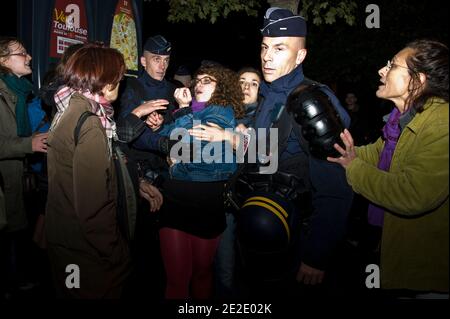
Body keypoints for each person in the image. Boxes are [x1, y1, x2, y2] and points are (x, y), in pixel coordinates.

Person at [190, 7, 352, 295]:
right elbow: (268, 156)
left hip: (294, 238)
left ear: (300, 55)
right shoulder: (267, 94)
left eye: (279, 48)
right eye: (264, 47)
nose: (267, 56)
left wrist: (317, 255)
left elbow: (336, 187)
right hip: (255, 238)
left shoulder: (311, 101)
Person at [328, 39, 449, 298]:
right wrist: (332, 153)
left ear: (417, 81)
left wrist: (353, 167)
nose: (381, 71)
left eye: (392, 66)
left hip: (429, 272)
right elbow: (374, 154)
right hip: (402, 259)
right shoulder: (401, 121)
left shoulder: (442, 124)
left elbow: (413, 194)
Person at [45, 43, 132, 298]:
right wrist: (114, 251)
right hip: (86, 250)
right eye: (118, 76)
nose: (121, 81)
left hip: (65, 238)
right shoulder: (92, 125)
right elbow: (93, 205)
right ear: (105, 82)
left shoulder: (68, 107)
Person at [152, 64, 244, 299]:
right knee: (176, 278)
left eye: (208, 80)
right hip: (174, 202)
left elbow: (191, 147)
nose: (199, 84)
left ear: (220, 87)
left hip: (207, 205)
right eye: (198, 80)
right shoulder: (189, 113)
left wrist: (182, 112)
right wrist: (161, 127)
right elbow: (164, 140)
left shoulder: (221, 112)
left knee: (202, 273)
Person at [0, 37, 48, 296]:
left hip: (15, 175)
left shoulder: (18, 91)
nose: (29, 57)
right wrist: (28, 145)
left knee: (13, 236)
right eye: (22, 53)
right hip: (3, 180)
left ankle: (13, 281)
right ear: (4, 61)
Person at [214, 66, 262, 299]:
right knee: (224, 262)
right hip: (225, 201)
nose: (246, 86)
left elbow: (262, 157)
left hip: (256, 203)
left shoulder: (266, 118)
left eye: (254, 83)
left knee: (254, 264)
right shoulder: (223, 114)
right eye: (242, 81)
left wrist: (238, 140)